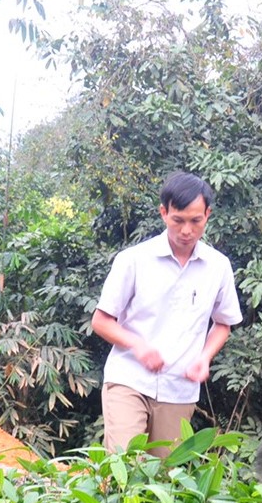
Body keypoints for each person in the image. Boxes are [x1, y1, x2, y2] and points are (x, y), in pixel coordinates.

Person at [91, 171, 243, 458]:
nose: (187, 230)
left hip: (179, 389)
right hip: (129, 378)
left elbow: (223, 324)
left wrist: (204, 357)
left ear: (207, 215)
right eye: (178, 220)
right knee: (124, 464)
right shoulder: (133, 260)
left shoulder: (218, 266)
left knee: (163, 479)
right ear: (164, 213)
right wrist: (138, 345)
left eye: (196, 221)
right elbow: (101, 321)